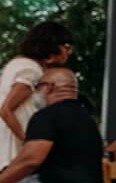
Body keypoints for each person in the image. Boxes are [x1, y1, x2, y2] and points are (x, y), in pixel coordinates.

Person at [0, 67, 104, 183]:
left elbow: (29, 162)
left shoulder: (47, 116)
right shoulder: (86, 118)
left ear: (49, 87)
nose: (34, 93)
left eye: (37, 87)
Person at [1, 20, 73, 168]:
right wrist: (27, 141)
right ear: (53, 45)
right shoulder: (31, 69)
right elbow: (6, 109)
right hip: (13, 147)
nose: (68, 52)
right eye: (67, 47)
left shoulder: (20, 63)